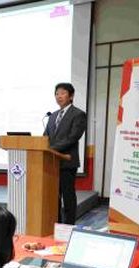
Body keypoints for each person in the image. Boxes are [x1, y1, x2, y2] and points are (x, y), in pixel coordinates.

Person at [44, 82, 87, 225]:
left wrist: (51, 149)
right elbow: (45, 137)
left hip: (67, 162)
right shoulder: (52, 116)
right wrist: (43, 146)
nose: (59, 96)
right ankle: (56, 223)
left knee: (68, 196)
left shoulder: (78, 114)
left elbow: (73, 137)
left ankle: (69, 226)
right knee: (54, 197)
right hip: (51, 163)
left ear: (71, 96)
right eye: (57, 93)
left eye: (62, 93)